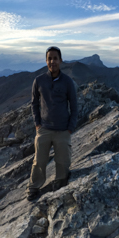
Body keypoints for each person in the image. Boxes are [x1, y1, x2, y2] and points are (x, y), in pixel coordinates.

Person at [28, 46, 78, 201]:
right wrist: (37, 124)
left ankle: (60, 181)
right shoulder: (39, 80)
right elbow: (34, 103)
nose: (52, 61)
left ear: (61, 60)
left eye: (55, 58)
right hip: (44, 128)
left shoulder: (68, 82)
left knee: (63, 161)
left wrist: (70, 128)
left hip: (63, 129)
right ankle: (34, 187)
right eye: (49, 58)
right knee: (39, 161)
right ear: (46, 61)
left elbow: (74, 106)